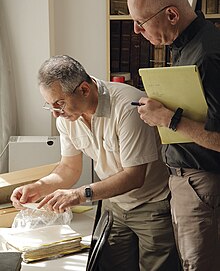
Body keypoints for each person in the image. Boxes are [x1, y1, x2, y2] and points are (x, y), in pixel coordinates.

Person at [10, 55, 180, 271]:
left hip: (152, 203)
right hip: (113, 204)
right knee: (109, 266)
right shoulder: (67, 117)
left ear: (83, 89)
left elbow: (134, 176)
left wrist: (79, 194)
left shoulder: (129, 107)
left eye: (59, 104)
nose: (55, 114)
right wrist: (38, 187)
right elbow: (69, 168)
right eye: (49, 105)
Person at [127, 0, 220, 271]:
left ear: (171, 15)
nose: (137, 32)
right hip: (186, 184)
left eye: (141, 22)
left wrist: (168, 118)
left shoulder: (207, 55)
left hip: (202, 185)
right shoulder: (183, 45)